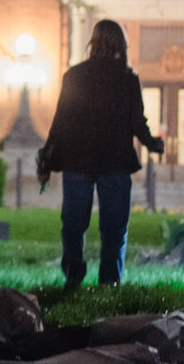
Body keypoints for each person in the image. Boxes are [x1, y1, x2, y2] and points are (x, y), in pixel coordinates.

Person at [36, 19, 164, 288]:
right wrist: (153, 143)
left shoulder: (74, 76)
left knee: (73, 222)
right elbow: (137, 121)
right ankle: (109, 280)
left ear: (93, 42)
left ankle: (73, 271)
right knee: (115, 226)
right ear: (121, 44)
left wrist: (47, 157)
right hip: (115, 161)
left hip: (78, 161)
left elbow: (60, 122)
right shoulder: (128, 78)